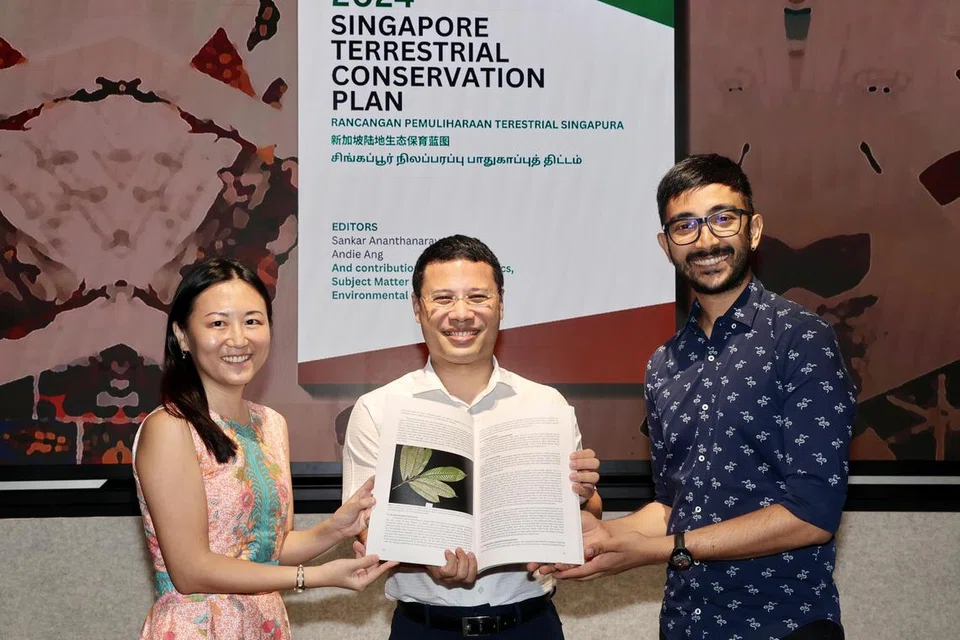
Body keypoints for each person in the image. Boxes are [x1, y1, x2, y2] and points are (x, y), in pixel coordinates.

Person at [533, 155, 856, 640]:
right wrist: (602, 537)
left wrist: (658, 550)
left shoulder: (802, 339)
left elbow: (811, 515)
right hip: (686, 623)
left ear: (754, 230)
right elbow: (672, 506)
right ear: (666, 245)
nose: (705, 241)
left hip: (786, 624)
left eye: (722, 218)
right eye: (685, 226)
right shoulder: (663, 364)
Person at [342, 235, 603, 639]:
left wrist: (583, 495)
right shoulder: (379, 409)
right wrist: (426, 559)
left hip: (530, 626)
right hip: (424, 629)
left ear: (501, 304)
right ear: (417, 308)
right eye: (443, 299)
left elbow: (591, 514)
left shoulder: (546, 404)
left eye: (478, 297)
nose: (461, 314)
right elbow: (363, 528)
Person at [133, 257, 396, 639]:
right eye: (218, 323)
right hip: (198, 628)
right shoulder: (171, 427)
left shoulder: (271, 424)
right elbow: (190, 570)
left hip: (264, 624)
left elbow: (270, 548)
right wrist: (315, 577)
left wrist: (333, 530)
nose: (238, 338)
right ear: (183, 336)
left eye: (253, 321)